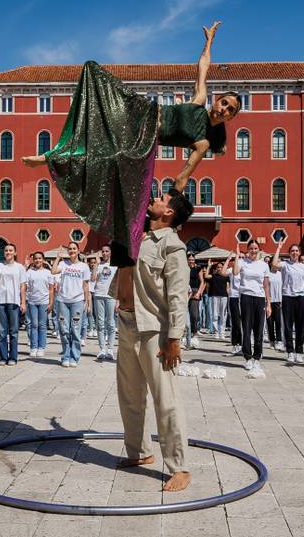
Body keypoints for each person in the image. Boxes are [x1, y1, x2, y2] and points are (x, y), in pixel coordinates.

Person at [22, 22, 238, 266]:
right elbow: (203, 66)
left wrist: (173, 211)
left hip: (145, 139)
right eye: (224, 103)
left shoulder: (203, 143)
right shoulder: (199, 101)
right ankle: (58, 154)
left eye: (230, 110)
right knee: (93, 72)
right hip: (141, 112)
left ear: (230, 118)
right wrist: (209, 41)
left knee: (106, 156)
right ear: (217, 101)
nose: (224, 109)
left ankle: (52, 158)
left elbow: (184, 175)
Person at [115, 189, 192, 492]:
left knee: (166, 400)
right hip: (126, 322)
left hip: (153, 330)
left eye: (162, 198)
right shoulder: (140, 236)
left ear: (169, 212)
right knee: (130, 396)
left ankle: (180, 467)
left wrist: (174, 338)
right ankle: (139, 452)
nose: (155, 198)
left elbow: (177, 296)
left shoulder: (172, 247)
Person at [230, 240, 271, 371]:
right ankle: (247, 357)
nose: (253, 250)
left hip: (260, 298)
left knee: (259, 330)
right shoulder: (242, 262)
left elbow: (266, 285)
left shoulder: (264, 265)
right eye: (251, 248)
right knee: (246, 328)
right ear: (248, 249)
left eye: (255, 248)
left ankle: (257, 358)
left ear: (259, 250)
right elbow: (235, 272)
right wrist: (237, 255)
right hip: (246, 297)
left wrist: (269, 304)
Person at [0, 244, 27, 365]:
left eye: (10, 250)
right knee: (2, 331)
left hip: (14, 301)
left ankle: (13, 357)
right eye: (6, 250)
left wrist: (23, 302)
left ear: (15, 252)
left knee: (13, 331)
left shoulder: (20, 267)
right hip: (1, 301)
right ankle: (3, 357)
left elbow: (23, 286)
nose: (8, 252)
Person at [51, 242, 92, 367]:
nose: (72, 251)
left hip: (77, 301)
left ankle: (74, 357)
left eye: (74, 249)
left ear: (78, 251)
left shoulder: (83, 266)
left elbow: (86, 285)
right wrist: (58, 258)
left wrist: (87, 302)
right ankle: (65, 356)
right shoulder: (63, 264)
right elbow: (53, 271)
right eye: (70, 249)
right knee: (63, 330)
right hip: (63, 300)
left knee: (75, 329)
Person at [272, 243, 304, 364]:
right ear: (289, 253)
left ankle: (299, 352)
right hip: (288, 297)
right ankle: (290, 351)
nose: (294, 253)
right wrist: (278, 248)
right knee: (288, 326)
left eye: (296, 251)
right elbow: (273, 266)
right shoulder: (284, 264)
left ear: (299, 253)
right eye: (292, 251)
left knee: (301, 327)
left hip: (301, 297)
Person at [25, 252, 55, 358]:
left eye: (39, 258)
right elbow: (26, 287)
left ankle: (41, 348)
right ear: (33, 260)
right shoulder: (29, 272)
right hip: (32, 302)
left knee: (42, 325)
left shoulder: (48, 273)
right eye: (36, 259)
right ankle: (33, 347)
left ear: (43, 260)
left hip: (44, 302)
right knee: (33, 325)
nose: (38, 260)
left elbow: (51, 289)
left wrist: (51, 303)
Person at [91, 245, 118, 360]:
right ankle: (102, 349)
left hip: (111, 296)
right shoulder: (99, 265)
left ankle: (110, 349)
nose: (105, 253)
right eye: (103, 251)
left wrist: (118, 300)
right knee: (100, 323)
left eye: (107, 251)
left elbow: (119, 283)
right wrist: (96, 265)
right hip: (98, 295)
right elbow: (93, 279)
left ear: (111, 252)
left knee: (111, 323)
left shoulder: (116, 266)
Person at [224, 250, 242, 356]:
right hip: (234, 297)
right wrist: (229, 259)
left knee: (245, 322)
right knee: (235, 322)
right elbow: (222, 272)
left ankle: (245, 345)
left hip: (244, 297)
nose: (240, 259)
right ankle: (236, 344)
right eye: (238, 257)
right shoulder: (231, 270)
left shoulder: (245, 269)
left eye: (241, 257)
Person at [206, 261, 229, 340]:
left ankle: (222, 333)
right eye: (218, 267)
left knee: (223, 315)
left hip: (224, 296)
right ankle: (216, 332)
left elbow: (228, 287)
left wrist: (228, 295)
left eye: (221, 267)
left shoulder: (226, 276)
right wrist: (209, 266)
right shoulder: (213, 276)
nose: (219, 268)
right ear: (216, 268)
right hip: (215, 296)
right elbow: (206, 276)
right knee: (215, 315)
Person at [186, 253, 204, 348]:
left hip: (195, 291)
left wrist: (199, 293)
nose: (191, 261)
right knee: (185, 313)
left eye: (193, 259)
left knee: (194, 314)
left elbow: (202, 282)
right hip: (185, 291)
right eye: (189, 259)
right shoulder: (184, 268)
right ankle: (185, 333)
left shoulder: (198, 269)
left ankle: (194, 332)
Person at [266, 255, 284, 352]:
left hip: (279, 301)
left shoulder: (281, 274)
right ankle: (271, 341)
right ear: (271, 263)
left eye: (279, 262)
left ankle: (279, 341)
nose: (278, 264)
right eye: (276, 262)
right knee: (269, 322)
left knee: (278, 322)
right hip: (269, 301)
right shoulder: (267, 274)